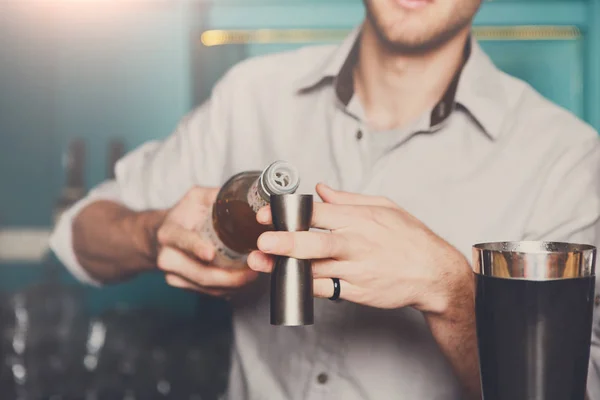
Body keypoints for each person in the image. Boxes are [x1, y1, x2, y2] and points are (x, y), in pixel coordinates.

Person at [50, 0, 600, 398]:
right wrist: (151, 234)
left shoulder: (566, 160)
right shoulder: (250, 96)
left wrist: (453, 293)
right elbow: (77, 235)